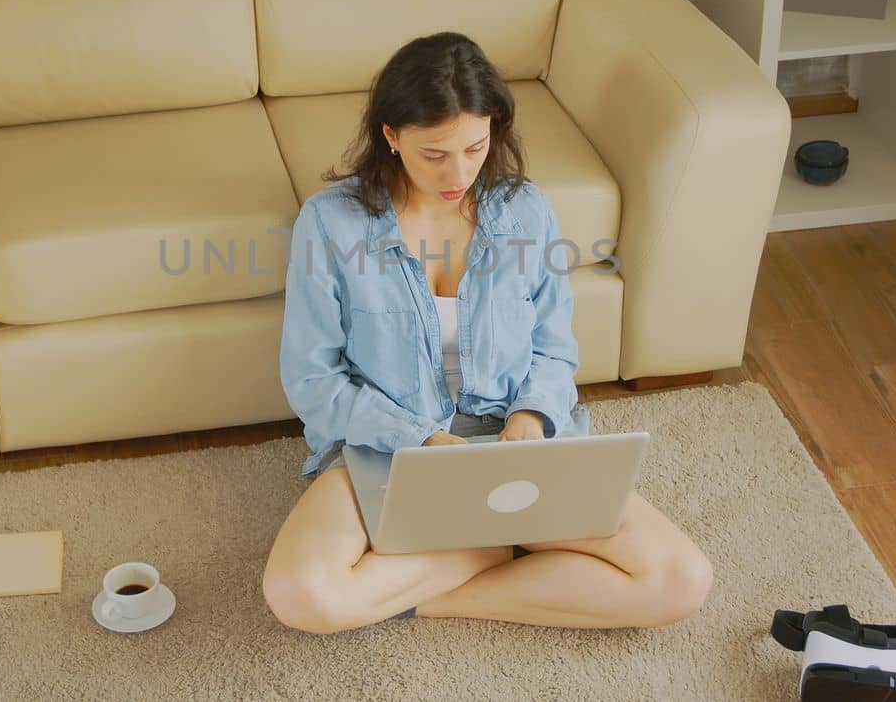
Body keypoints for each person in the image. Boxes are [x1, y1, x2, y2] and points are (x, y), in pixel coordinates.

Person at [261, 31, 713, 635]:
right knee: (302, 596)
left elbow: (554, 347)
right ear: (391, 136)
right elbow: (314, 380)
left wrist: (529, 418)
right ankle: (493, 551)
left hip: (513, 444)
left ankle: (445, 587)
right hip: (389, 451)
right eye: (434, 154)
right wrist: (420, 438)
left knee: (681, 579)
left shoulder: (523, 210)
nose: (460, 172)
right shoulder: (330, 222)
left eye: (476, 147)